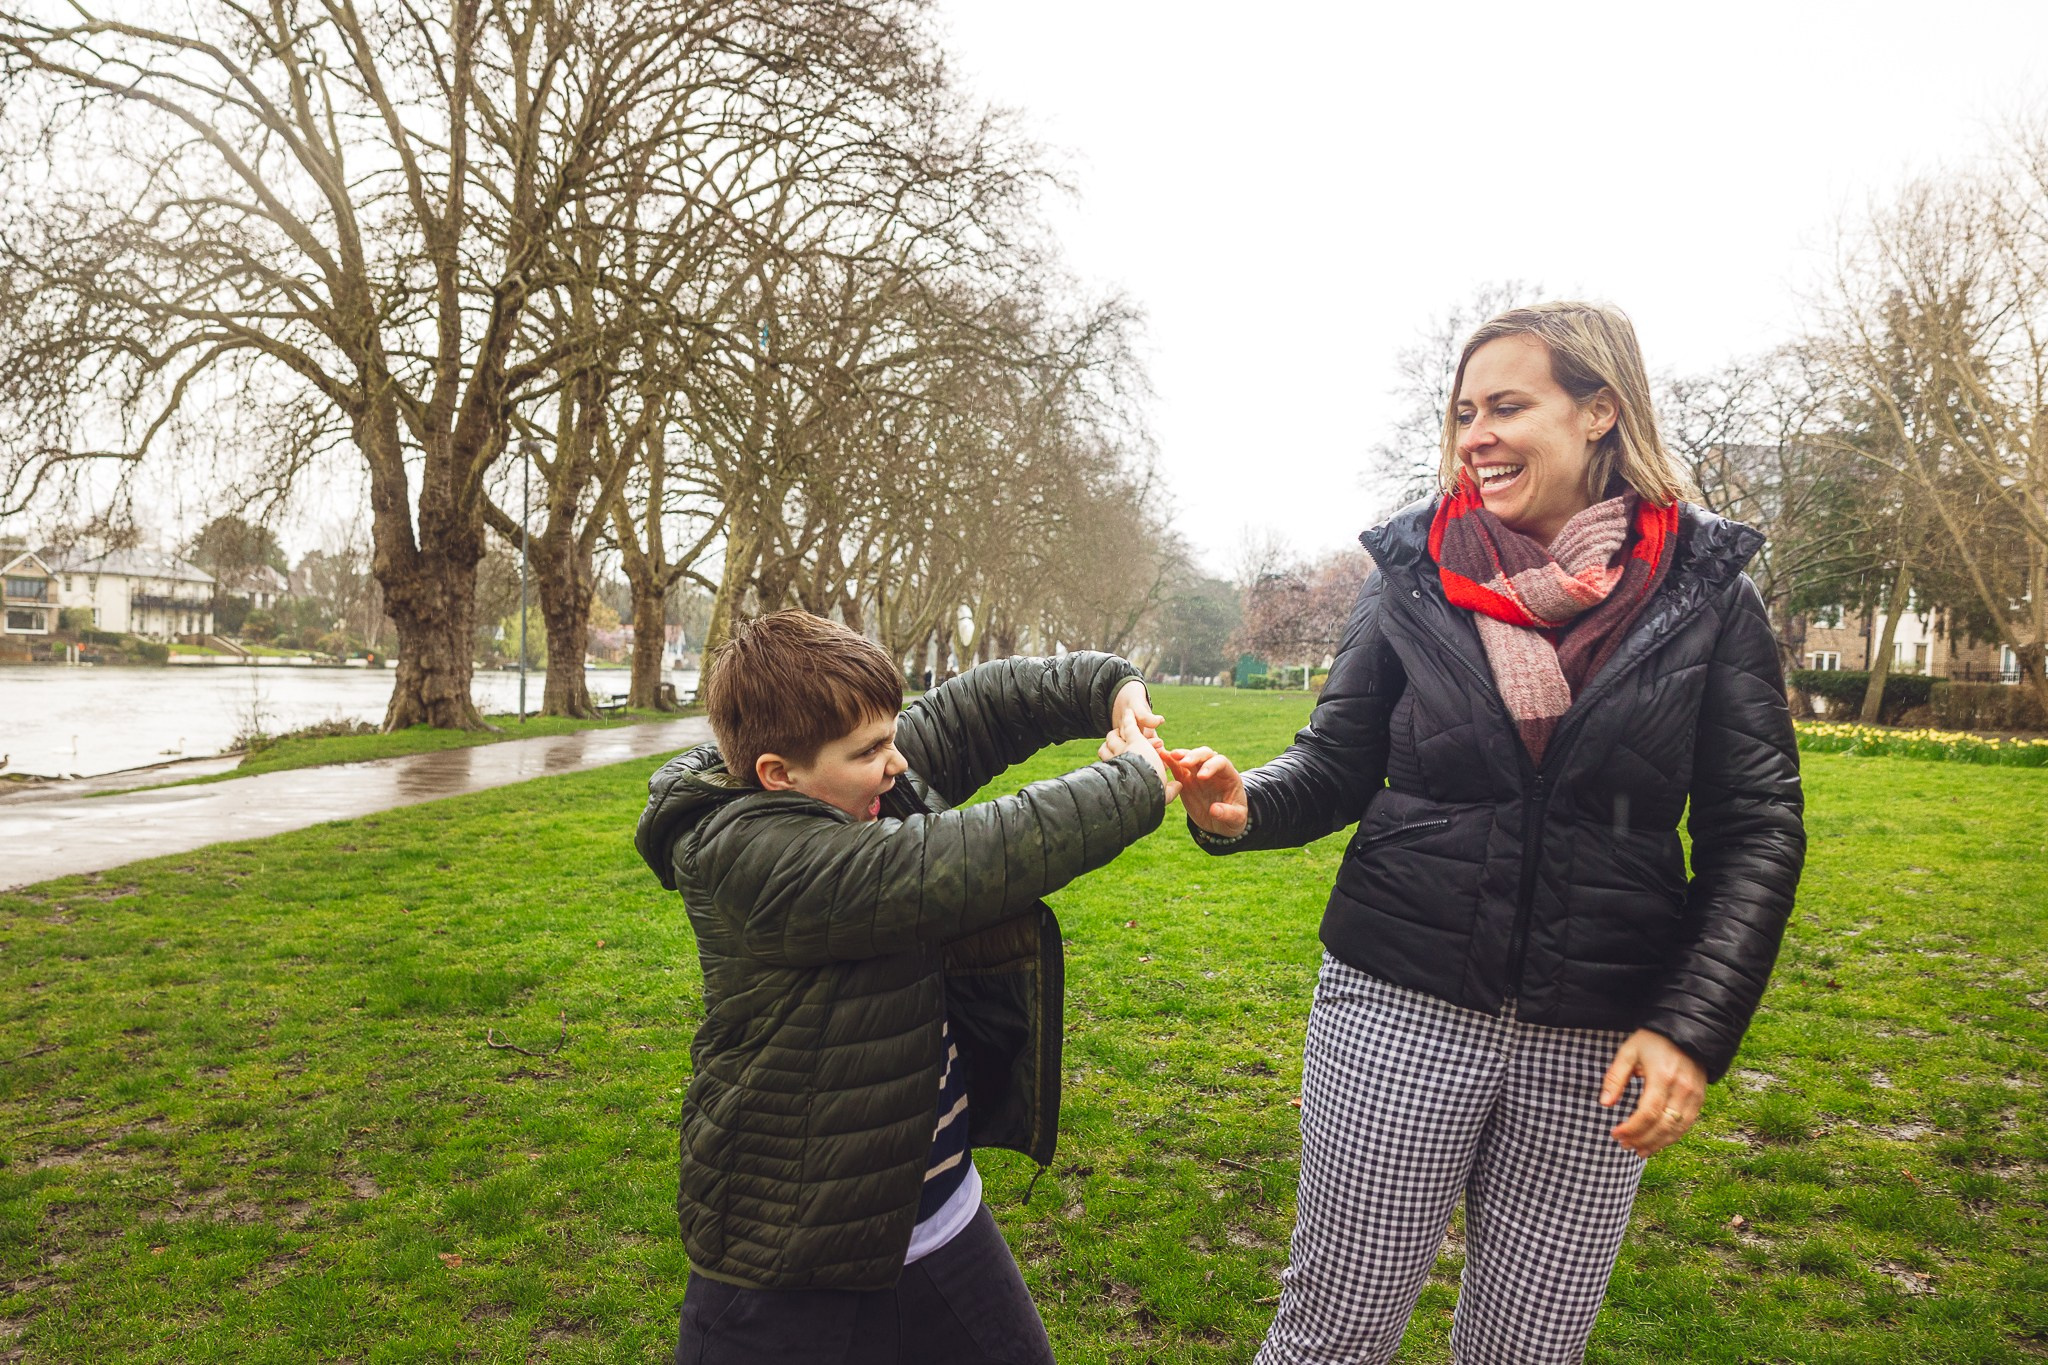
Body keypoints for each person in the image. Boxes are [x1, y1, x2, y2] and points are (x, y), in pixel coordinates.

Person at [1168, 302, 1806, 1364]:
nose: (1475, 436)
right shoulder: (1410, 573)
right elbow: (1333, 760)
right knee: (1332, 1333)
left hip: (1598, 1041)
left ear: (1599, 411)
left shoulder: (1706, 594)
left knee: (1527, 1352)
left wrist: (1691, 1024)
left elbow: (1755, 828)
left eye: (1506, 406)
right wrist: (1247, 804)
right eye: (1464, 413)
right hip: (1395, 1011)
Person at [635, 610, 1179, 1365]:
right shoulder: (753, 859)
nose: (895, 762)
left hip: (941, 1220)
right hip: (791, 1262)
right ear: (776, 774)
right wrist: (1135, 780)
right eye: (871, 750)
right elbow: (956, 860)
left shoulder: (844, 774)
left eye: (891, 736)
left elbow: (981, 704)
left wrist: (1110, 689)